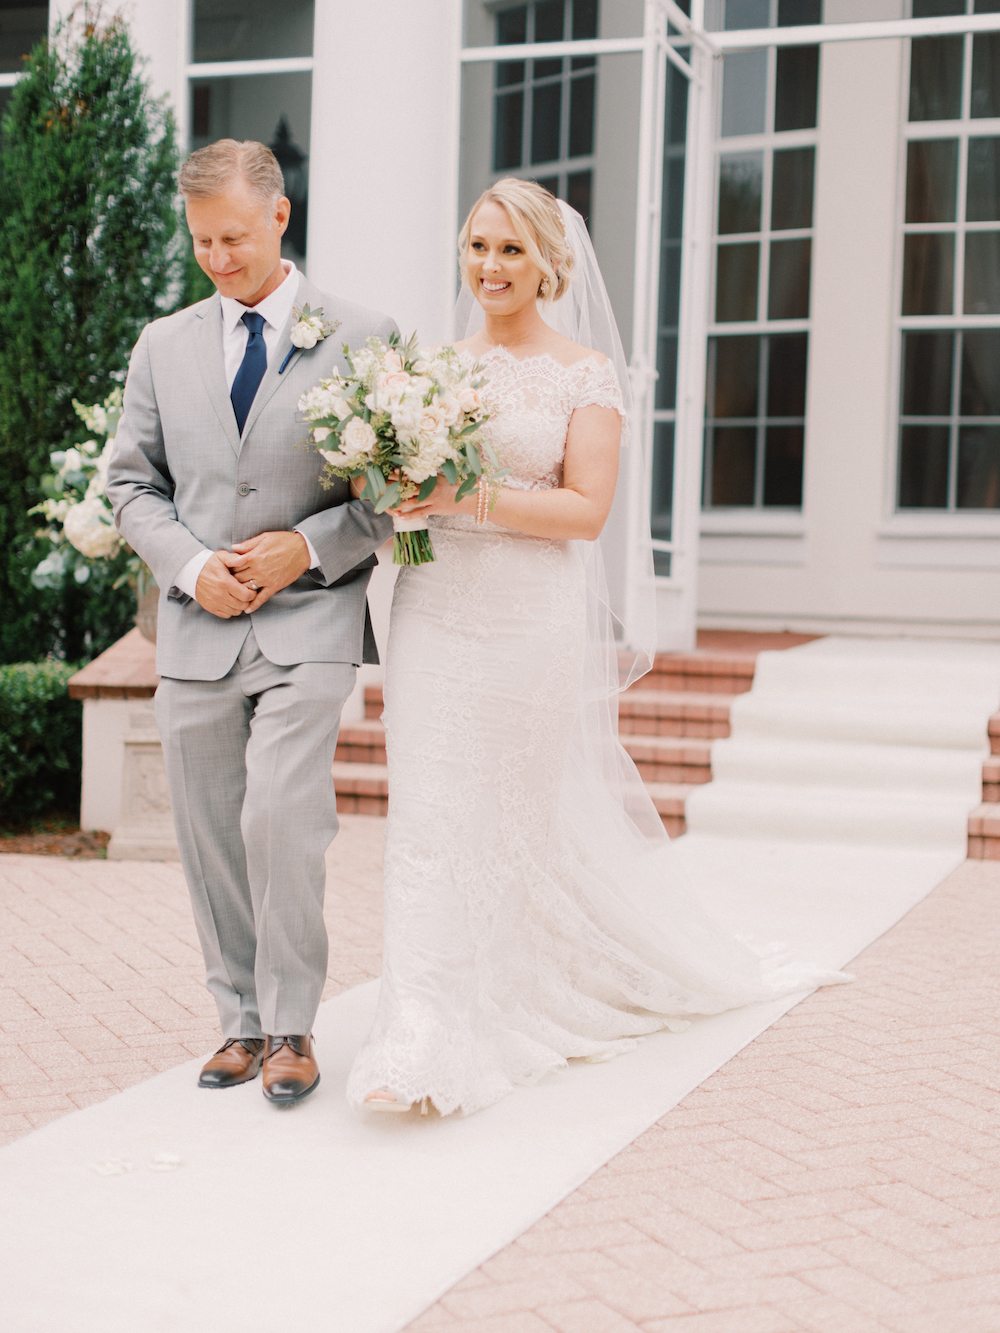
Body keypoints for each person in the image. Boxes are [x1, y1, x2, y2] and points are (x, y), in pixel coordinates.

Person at [348, 179, 845, 1117]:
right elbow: (398, 490)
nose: (490, 266)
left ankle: (503, 995)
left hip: (525, 619)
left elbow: (586, 512)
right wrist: (391, 495)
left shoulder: (584, 375)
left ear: (549, 263)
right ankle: (419, 1027)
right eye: (478, 246)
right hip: (432, 608)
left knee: (505, 818)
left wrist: (466, 496)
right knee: (425, 818)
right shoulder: (427, 371)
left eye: (511, 249)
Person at [106, 139, 396, 1106]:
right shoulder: (162, 344)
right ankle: (238, 1019)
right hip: (196, 628)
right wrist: (192, 565)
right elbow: (130, 485)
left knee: (281, 815)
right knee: (207, 832)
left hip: (309, 622)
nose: (217, 258)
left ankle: (292, 1025)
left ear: (279, 215)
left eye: (232, 237)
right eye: (201, 241)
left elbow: (393, 493)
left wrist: (303, 548)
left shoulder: (363, 336)